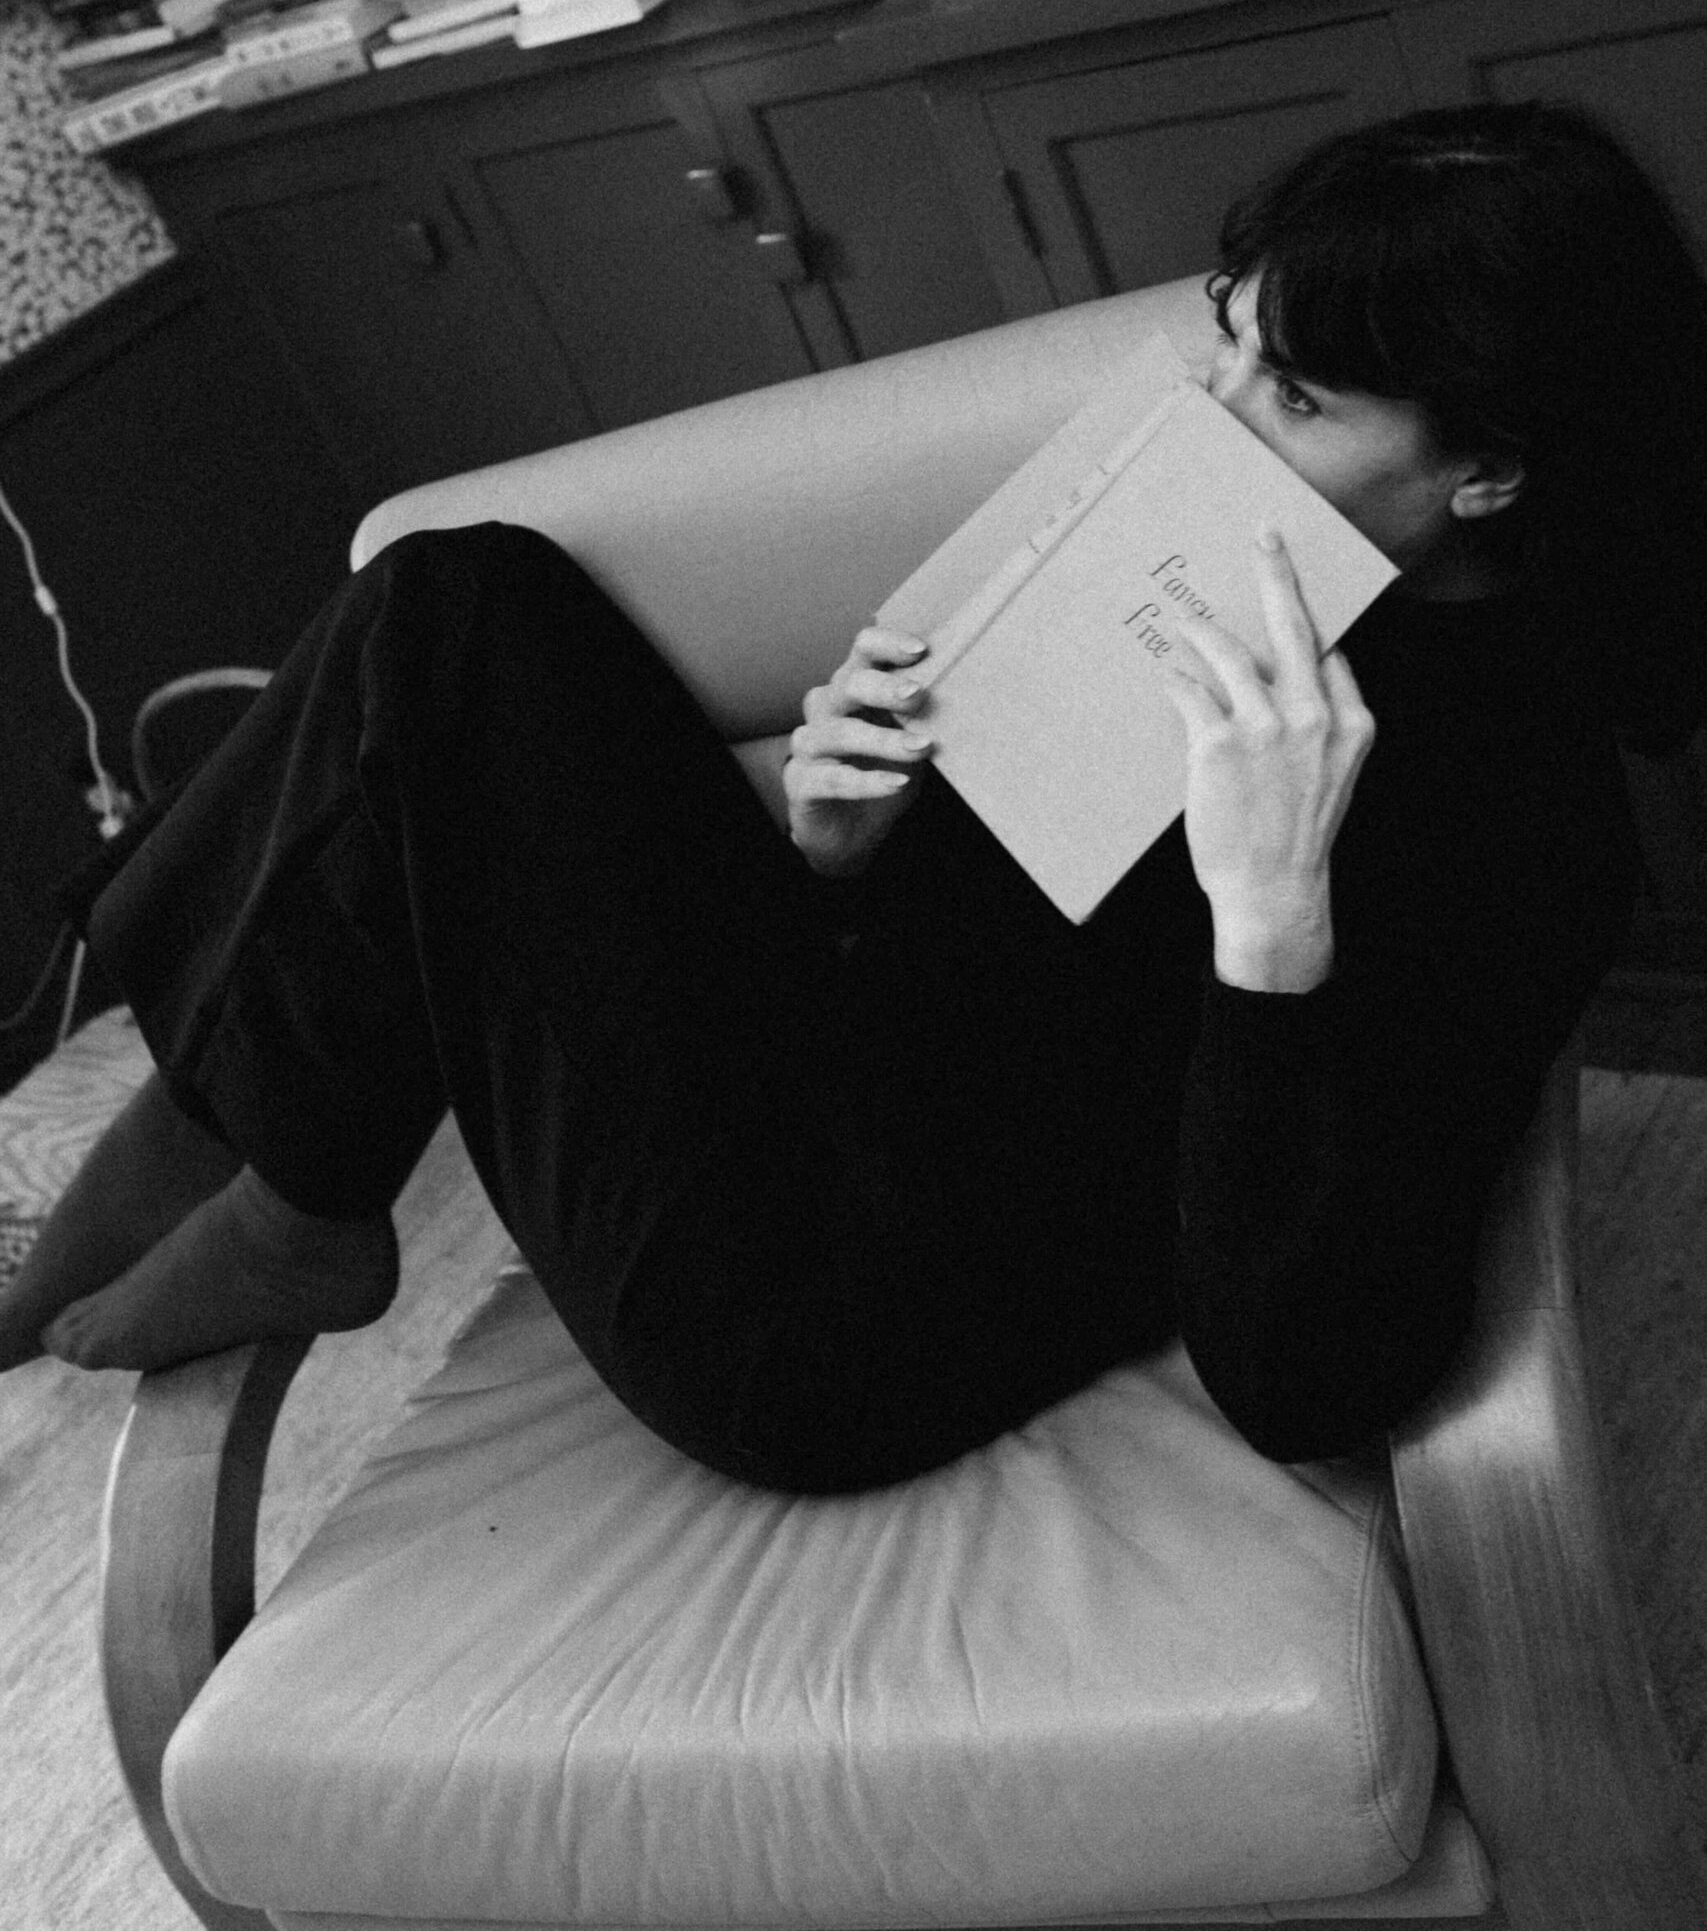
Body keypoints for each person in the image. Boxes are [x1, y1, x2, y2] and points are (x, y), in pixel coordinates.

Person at [3, 98, 1705, 1491]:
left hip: (822, 1304)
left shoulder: (1526, 829)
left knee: (422, 710)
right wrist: (843, 843)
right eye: (1234, 354)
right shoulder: (1239, 554)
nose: (1217, 418)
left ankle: (271, 1172)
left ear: (1491, 467)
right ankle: (276, 1166)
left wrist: (1273, 920)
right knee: (459, 599)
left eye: (1306, 398)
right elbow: (1006, 959)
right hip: (828, 1045)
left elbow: (1307, 1374)